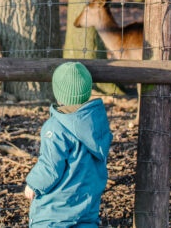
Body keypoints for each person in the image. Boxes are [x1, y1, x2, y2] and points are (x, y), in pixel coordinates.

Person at [24, 62, 113, 227]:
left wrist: (34, 185)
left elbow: (50, 166)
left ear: (58, 93)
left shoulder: (55, 127)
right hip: (86, 210)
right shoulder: (97, 124)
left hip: (55, 214)